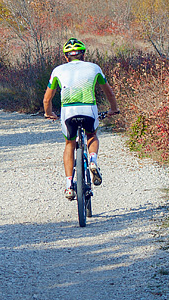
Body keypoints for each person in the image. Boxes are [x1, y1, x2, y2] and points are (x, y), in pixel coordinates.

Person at [43, 38, 119, 200]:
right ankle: (92, 161)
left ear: (66, 57)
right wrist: (114, 109)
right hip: (88, 108)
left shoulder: (58, 70)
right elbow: (109, 93)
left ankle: (69, 185)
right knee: (91, 135)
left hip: (68, 111)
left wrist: (49, 113)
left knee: (69, 143)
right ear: (83, 54)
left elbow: (47, 99)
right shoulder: (94, 68)